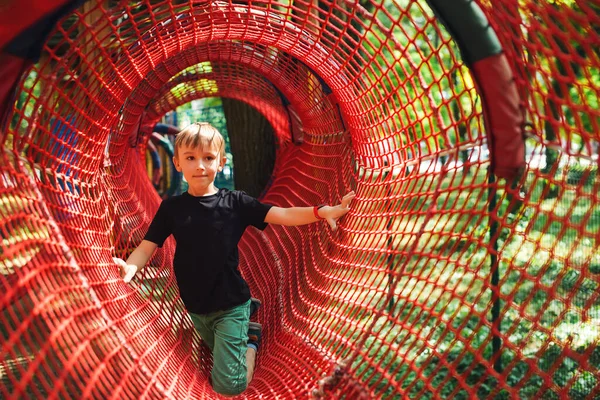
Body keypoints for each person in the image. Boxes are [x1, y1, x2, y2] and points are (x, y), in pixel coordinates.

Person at [113, 122, 355, 396]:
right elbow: (147, 246)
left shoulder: (235, 203)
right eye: (191, 158)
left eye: (208, 158)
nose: (200, 165)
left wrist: (322, 211)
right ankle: (245, 329)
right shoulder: (172, 208)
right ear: (177, 162)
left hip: (229, 304)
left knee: (229, 387)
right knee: (215, 353)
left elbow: (284, 215)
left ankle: (251, 339)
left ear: (221, 162)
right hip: (196, 308)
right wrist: (129, 268)